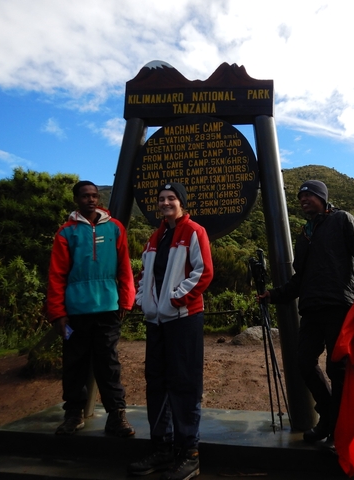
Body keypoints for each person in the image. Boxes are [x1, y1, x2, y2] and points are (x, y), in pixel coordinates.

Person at [258, 180, 354, 447]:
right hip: (311, 308)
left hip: (339, 305)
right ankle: (329, 416)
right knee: (303, 361)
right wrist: (274, 295)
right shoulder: (305, 235)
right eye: (300, 196)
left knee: (337, 368)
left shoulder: (342, 220)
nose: (303, 199)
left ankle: (337, 429)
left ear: (323, 198)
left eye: (309, 195)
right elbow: (299, 279)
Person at [128, 183, 213, 480]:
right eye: (162, 199)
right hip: (157, 322)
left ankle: (189, 452)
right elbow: (144, 275)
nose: (166, 203)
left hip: (183, 318)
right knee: (157, 383)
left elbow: (203, 272)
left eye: (171, 199)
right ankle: (162, 448)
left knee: (185, 383)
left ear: (181, 203)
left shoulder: (194, 232)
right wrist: (143, 302)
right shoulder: (156, 236)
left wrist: (175, 298)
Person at [46, 180, 136, 437]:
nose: (91, 199)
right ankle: (74, 414)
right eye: (85, 196)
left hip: (108, 306)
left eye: (94, 195)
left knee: (108, 362)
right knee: (74, 363)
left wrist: (126, 299)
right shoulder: (66, 232)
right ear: (76, 199)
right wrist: (58, 312)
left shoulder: (116, 228)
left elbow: (124, 267)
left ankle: (116, 415)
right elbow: (56, 276)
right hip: (75, 311)